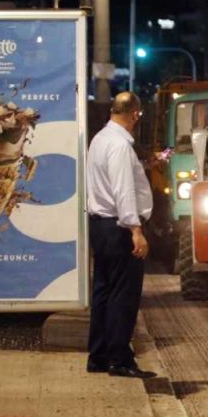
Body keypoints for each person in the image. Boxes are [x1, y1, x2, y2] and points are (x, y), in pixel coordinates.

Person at [86, 92, 156, 379]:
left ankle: (99, 355)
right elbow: (123, 191)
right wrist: (136, 230)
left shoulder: (100, 139)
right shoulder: (120, 146)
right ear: (135, 114)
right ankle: (120, 359)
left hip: (101, 226)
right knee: (122, 295)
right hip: (119, 228)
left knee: (103, 291)